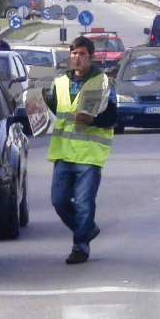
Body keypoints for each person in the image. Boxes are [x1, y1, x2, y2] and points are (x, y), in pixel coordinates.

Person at [43, 36, 117, 265]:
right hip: (64, 152)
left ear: (91, 57)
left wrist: (93, 119)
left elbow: (113, 117)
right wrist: (39, 104)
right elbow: (52, 113)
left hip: (89, 154)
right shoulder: (60, 82)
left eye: (82, 54)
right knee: (59, 201)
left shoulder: (102, 83)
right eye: (74, 53)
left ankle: (80, 247)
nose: (77, 58)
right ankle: (87, 229)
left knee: (84, 203)